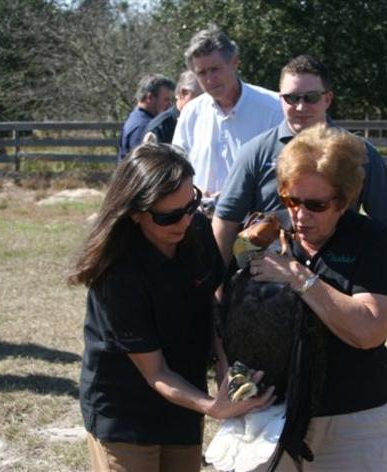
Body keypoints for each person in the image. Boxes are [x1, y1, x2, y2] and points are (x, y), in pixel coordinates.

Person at [68, 144, 274, 471]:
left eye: (191, 204)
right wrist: (212, 406)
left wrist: (225, 365)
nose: (185, 220)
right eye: (169, 216)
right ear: (135, 212)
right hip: (126, 410)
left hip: (184, 397)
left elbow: (211, 298)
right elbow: (156, 372)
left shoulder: (197, 231)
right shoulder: (117, 274)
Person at [246, 123, 387, 471]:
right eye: (291, 200)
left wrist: (299, 277)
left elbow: (369, 330)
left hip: (351, 414)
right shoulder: (266, 233)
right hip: (271, 413)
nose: (300, 215)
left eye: (316, 204)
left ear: (344, 200)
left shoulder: (370, 240)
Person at [213, 55, 387, 267]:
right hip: (269, 281)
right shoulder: (255, 152)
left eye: (310, 97)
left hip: (338, 278)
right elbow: (226, 220)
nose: (300, 107)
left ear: (328, 99)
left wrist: (377, 275)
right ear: (280, 99)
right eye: (291, 98)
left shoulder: (360, 153)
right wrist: (219, 282)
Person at [172, 24, 283, 196]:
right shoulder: (191, 113)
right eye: (201, 73)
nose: (210, 80)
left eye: (215, 69)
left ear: (234, 63)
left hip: (257, 218)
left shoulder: (273, 108)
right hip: (198, 216)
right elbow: (177, 167)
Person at [117, 74, 175, 161]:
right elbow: (142, 166)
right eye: (166, 100)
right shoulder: (142, 127)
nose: (170, 105)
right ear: (150, 97)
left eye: (171, 100)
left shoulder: (136, 118)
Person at [143, 71, 202, 144]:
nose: (205, 101)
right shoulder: (160, 128)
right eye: (201, 97)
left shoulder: (205, 122)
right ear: (183, 93)